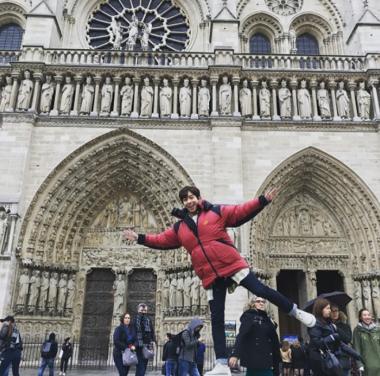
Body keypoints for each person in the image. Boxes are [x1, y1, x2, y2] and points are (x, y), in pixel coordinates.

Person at [123, 186, 316, 376]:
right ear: (182, 203)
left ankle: (295, 311)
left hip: (231, 264)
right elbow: (160, 240)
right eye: (185, 199)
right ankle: (221, 363)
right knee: (216, 318)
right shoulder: (180, 227)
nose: (189, 201)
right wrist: (139, 237)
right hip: (209, 274)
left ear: (198, 197)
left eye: (192, 197)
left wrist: (262, 201)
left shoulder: (215, 212)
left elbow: (239, 212)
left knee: (261, 289)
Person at [229, 296, 281, 376]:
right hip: (257, 360)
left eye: (263, 301)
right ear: (252, 304)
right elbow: (242, 335)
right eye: (258, 301)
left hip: (270, 360)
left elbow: (273, 340)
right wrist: (235, 354)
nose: (261, 303)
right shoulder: (249, 316)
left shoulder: (267, 319)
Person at [308, 298, 342, 376]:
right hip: (320, 360)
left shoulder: (328, 323)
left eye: (329, 308)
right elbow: (317, 342)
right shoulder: (314, 323)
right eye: (327, 308)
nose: (330, 310)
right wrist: (332, 337)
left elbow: (341, 341)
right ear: (320, 310)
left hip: (328, 358)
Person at [353, 308, 380, 376]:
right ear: (360, 317)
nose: (367, 317)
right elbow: (356, 348)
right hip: (367, 365)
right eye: (364, 315)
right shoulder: (357, 331)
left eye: (368, 315)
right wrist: (359, 364)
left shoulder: (377, 329)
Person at [133, 303, 156, 376]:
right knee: (140, 366)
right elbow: (133, 331)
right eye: (142, 310)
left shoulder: (148, 319)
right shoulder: (135, 319)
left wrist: (153, 341)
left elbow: (152, 331)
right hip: (138, 345)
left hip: (147, 345)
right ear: (138, 310)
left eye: (145, 310)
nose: (143, 312)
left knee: (144, 365)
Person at [330, 304, 352, 376]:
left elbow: (347, 339)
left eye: (336, 311)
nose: (334, 313)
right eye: (332, 311)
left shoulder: (345, 326)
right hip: (330, 359)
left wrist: (336, 328)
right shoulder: (325, 326)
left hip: (343, 358)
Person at [113, 312, 137, 376]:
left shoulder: (132, 329)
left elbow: (135, 340)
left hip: (128, 355)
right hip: (119, 354)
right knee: (122, 373)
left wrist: (134, 346)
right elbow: (116, 341)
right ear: (122, 319)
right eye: (125, 318)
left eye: (128, 318)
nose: (127, 319)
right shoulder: (118, 329)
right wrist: (127, 347)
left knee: (125, 373)